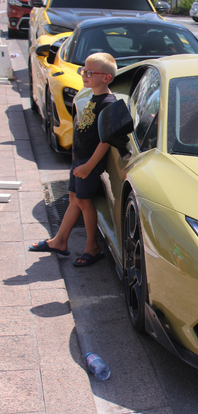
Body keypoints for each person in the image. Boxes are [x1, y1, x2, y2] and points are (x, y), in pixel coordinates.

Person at [29, 52, 118, 267]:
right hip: (80, 159)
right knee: (74, 199)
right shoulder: (93, 96)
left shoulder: (108, 103)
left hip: (89, 162)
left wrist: (88, 166)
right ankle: (59, 241)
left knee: (84, 203)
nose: (84, 75)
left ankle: (92, 247)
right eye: (83, 70)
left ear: (105, 77)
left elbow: (106, 140)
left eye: (89, 72)